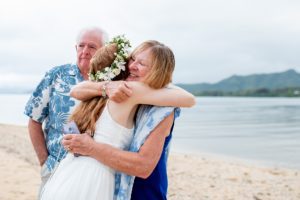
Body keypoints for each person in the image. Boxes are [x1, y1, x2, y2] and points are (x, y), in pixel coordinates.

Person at [41, 36, 195, 199]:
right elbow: (76, 90)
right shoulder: (117, 89)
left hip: (143, 191)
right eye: (132, 59)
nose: (132, 66)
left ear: (157, 71)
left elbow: (189, 99)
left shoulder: (149, 102)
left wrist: (89, 147)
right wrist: (105, 87)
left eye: (141, 64)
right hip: (99, 177)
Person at [24, 27, 133, 197]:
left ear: (104, 51)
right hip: (55, 168)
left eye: (92, 47)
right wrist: (44, 162)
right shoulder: (56, 75)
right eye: (81, 46)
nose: (85, 51)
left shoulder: (116, 82)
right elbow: (34, 119)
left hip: (95, 175)